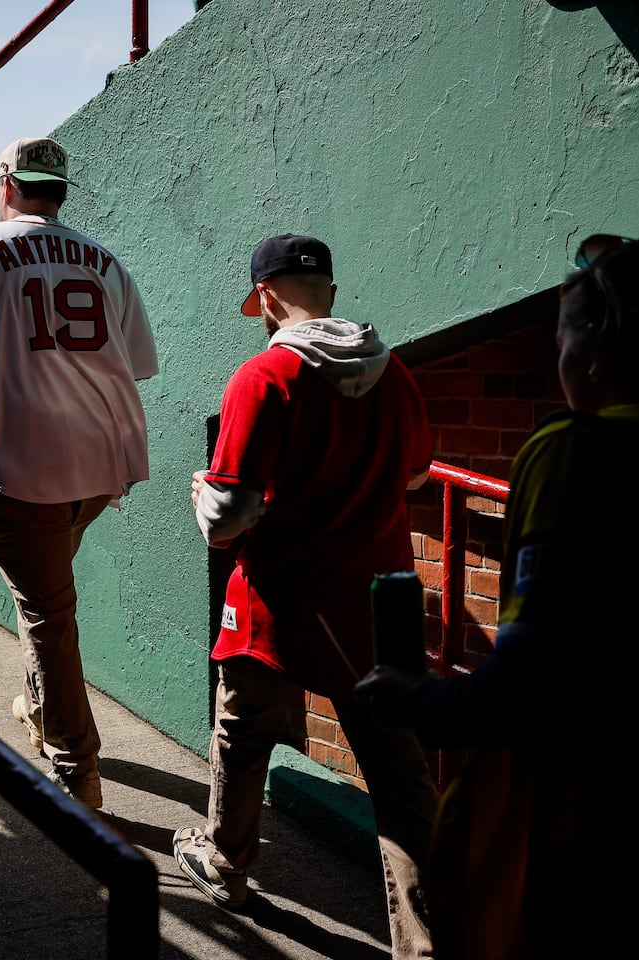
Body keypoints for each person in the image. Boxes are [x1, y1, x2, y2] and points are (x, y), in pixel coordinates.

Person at [352, 234, 639, 960]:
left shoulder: (572, 451)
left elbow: (533, 677)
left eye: (562, 330)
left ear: (597, 342)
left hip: (584, 843)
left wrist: (422, 702)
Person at [172, 234, 438, 958]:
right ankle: (428, 945)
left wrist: (205, 498)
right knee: (396, 773)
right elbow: (416, 476)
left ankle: (226, 863)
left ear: (263, 298)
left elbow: (228, 520)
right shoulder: (396, 374)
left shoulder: (262, 377)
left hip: (280, 594)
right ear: (332, 293)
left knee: (244, 725)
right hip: (377, 599)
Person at [0, 137, 159, 810]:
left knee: (48, 613)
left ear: (6, 183)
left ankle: (78, 771)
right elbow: (133, 363)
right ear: (61, 190)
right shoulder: (104, 260)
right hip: (101, 468)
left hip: (23, 468)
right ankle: (46, 714)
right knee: (42, 597)